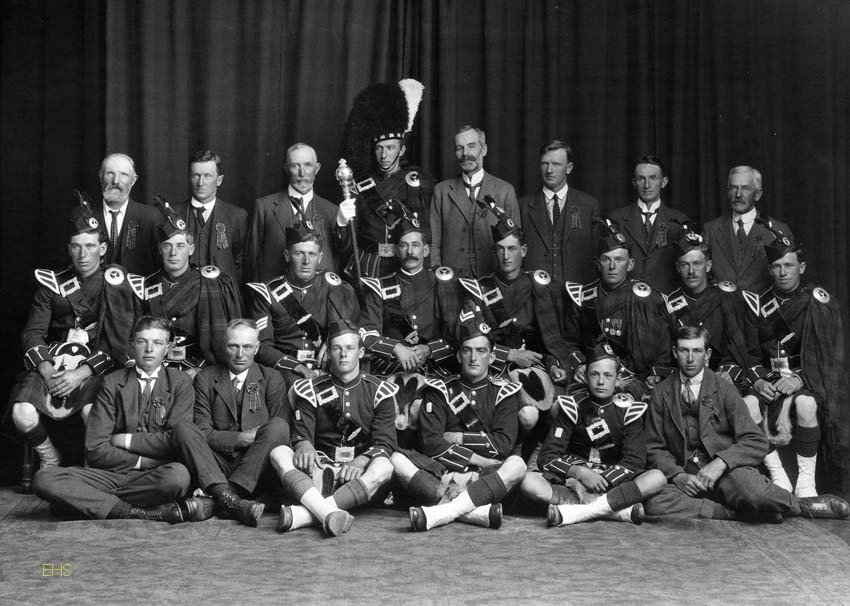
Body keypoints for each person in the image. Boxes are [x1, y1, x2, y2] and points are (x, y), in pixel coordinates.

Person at [643, 325, 849, 521]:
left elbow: (755, 441)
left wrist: (721, 463)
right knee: (653, 502)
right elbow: (654, 447)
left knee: (754, 491)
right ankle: (734, 513)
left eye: (697, 351)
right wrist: (678, 475)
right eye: (683, 350)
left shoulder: (723, 388)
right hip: (686, 478)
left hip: (726, 474)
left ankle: (802, 506)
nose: (690, 358)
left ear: (707, 354)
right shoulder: (661, 392)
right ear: (674, 352)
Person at [11, 197, 136, 489]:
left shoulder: (115, 282)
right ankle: (50, 457)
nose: (83, 254)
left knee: (94, 414)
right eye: (77, 246)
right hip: (53, 363)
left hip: (96, 365)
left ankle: (94, 470)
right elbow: (32, 333)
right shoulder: (52, 282)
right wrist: (46, 371)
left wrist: (81, 373)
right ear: (69, 249)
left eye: (90, 246)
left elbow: (118, 341)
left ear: (102, 249)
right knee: (22, 413)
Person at [33, 317, 204, 522]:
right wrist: (144, 461)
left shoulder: (180, 382)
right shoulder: (112, 382)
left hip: (157, 475)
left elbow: (174, 441)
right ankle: (137, 511)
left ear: (167, 348)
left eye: (157, 343)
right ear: (131, 345)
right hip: (110, 474)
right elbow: (95, 449)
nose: (149, 349)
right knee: (44, 478)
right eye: (142, 341)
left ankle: (86, 503)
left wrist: (124, 440)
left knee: (178, 477)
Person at [392, 306, 527, 531]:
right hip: (442, 470)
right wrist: (480, 459)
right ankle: (473, 512)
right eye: (467, 351)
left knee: (517, 465)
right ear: (458, 355)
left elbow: (503, 445)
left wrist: (459, 438)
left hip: (486, 475)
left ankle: (443, 511)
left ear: (492, 357)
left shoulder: (505, 392)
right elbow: (431, 443)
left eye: (481, 351)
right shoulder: (440, 389)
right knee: (396, 458)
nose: (474, 358)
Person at [743, 232, 849, 496]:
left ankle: (805, 482)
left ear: (801, 267)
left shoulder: (818, 303)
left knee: (806, 404)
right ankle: (778, 476)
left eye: (788, 265)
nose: (783, 272)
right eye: (777, 266)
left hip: (807, 380)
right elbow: (750, 356)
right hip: (769, 381)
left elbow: (827, 358)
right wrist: (759, 381)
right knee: (748, 404)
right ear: (770, 270)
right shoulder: (757, 304)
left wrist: (799, 379)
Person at [271, 321, 398, 537]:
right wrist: (303, 444)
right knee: (278, 453)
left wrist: (361, 461)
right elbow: (301, 433)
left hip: (359, 474)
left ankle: (311, 513)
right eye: (337, 348)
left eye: (350, 348)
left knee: (385, 465)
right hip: (320, 469)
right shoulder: (309, 388)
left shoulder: (380, 391)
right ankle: (329, 512)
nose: (343, 354)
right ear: (329, 352)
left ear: (361, 352)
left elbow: (385, 443)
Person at [520, 343, 666, 526]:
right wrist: (579, 473)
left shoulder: (629, 410)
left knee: (657, 478)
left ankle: (577, 512)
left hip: (613, 480)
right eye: (594, 374)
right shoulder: (572, 406)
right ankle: (613, 510)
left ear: (618, 379)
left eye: (608, 375)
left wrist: (604, 480)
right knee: (528, 481)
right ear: (586, 376)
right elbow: (547, 457)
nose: (601, 382)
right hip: (574, 479)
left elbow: (634, 460)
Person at [457, 208, 570, 440]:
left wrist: (554, 365)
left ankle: (540, 452)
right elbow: (469, 337)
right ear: (494, 251)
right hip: (493, 368)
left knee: (562, 406)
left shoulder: (539, 287)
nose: (506, 256)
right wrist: (509, 354)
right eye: (501, 249)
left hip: (536, 366)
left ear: (523, 251)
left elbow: (550, 340)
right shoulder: (479, 288)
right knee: (524, 413)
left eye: (512, 249)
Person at [359, 212, 462, 446]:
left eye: (416, 245)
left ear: (425, 250)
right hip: (389, 366)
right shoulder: (379, 286)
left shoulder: (441, 284)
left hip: (433, 367)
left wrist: (429, 349)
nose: (410, 251)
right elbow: (366, 333)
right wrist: (396, 348)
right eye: (404, 246)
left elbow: (455, 335)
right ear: (397, 250)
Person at [129, 200, 241, 375]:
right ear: (160, 249)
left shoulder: (209, 282)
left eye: (180, 246)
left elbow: (220, 342)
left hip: (198, 368)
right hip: (154, 368)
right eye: (167, 246)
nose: (173, 253)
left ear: (191, 249)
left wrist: (200, 370)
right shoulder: (144, 286)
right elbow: (134, 337)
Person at [337, 79, 435, 279]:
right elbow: (347, 242)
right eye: (379, 148)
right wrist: (341, 222)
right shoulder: (359, 186)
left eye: (390, 148)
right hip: (369, 267)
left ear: (402, 150)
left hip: (406, 266)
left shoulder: (420, 183)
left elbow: (428, 234)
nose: (384, 155)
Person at [563, 219, 670, 400]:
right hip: (595, 377)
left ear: (630, 264)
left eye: (619, 260)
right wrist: (580, 365)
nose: (612, 267)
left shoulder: (646, 297)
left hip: (636, 378)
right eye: (606, 260)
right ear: (598, 264)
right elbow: (569, 341)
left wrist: (656, 373)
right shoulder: (582, 296)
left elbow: (663, 344)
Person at [191, 319, 290, 507]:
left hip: (257, 465)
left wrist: (259, 439)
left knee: (279, 427)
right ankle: (234, 501)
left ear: (257, 348)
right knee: (187, 435)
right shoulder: (205, 378)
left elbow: (280, 432)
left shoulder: (272, 378)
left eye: (247, 347)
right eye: (233, 346)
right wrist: (240, 439)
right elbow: (202, 432)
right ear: (224, 346)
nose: (240, 354)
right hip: (217, 463)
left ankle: (228, 494)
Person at [247, 222, 359, 386]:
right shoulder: (266, 293)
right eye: (299, 253)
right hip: (285, 371)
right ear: (287, 255)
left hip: (327, 366)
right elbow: (262, 347)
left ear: (320, 257)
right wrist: (298, 367)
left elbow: (349, 329)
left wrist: (332, 341)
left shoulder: (333, 286)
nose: (306, 261)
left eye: (312, 254)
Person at [662, 223, 760, 389]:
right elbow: (665, 354)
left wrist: (728, 372)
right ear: (678, 268)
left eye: (697, 264)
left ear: (707, 266)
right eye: (685, 265)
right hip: (684, 377)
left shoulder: (727, 298)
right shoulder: (668, 304)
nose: (691, 271)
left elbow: (740, 349)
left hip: (723, 375)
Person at [519, 140, 601, 319]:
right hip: (535, 301)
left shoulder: (588, 205)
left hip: (578, 302)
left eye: (556, 164)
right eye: (545, 164)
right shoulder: (523, 206)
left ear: (569, 168)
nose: (549, 170)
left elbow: (596, 255)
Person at [429, 125, 520, 278]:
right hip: (452, 282)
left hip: (494, 281)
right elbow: (434, 243)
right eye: (460, 148)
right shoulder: (441, 191)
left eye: (471, 146)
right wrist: (438, 275)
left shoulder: (505, 191)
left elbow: (515, 244)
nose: (465, 153)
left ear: (483, 150)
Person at [246, 143, 339, 282]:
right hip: (274, 291)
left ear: (317, 168)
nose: (302, 173)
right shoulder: (264, 207)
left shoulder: (332, 211)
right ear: (286, 168)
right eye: (295, 165)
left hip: (320, 292)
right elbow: (252, 259)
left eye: (308, 165)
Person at [702, 166, 794, 293]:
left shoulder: (778, 231)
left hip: (762, 304)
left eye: (745, 188)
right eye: (733, 188)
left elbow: (788, 277)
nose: (738, 194)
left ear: (758, 194)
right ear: (728, 192)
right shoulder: (711, 230)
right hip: (720, 303)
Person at [607, 156, 689, 293]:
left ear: (664, 182)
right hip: (626, 297)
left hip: (665, 298)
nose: (647, 185)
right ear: (634, 183)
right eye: (641, 179)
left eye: (653, 178)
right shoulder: (616, 218)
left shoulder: (679, 220)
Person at [173, 150, 248, 283]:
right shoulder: (174, 213)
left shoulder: (237, 216)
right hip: (183, 291)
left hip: (222, 292)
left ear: (219, 180)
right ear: (189, 178)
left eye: (207, 176)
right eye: (196, 175)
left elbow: (240, 263)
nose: (201, 183)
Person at [94, 153, 163, 276]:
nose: (116, 181)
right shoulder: (85, 216)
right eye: (110, 173)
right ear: (100, 176)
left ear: (133, 180)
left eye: (123, 174)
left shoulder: (151, 217)